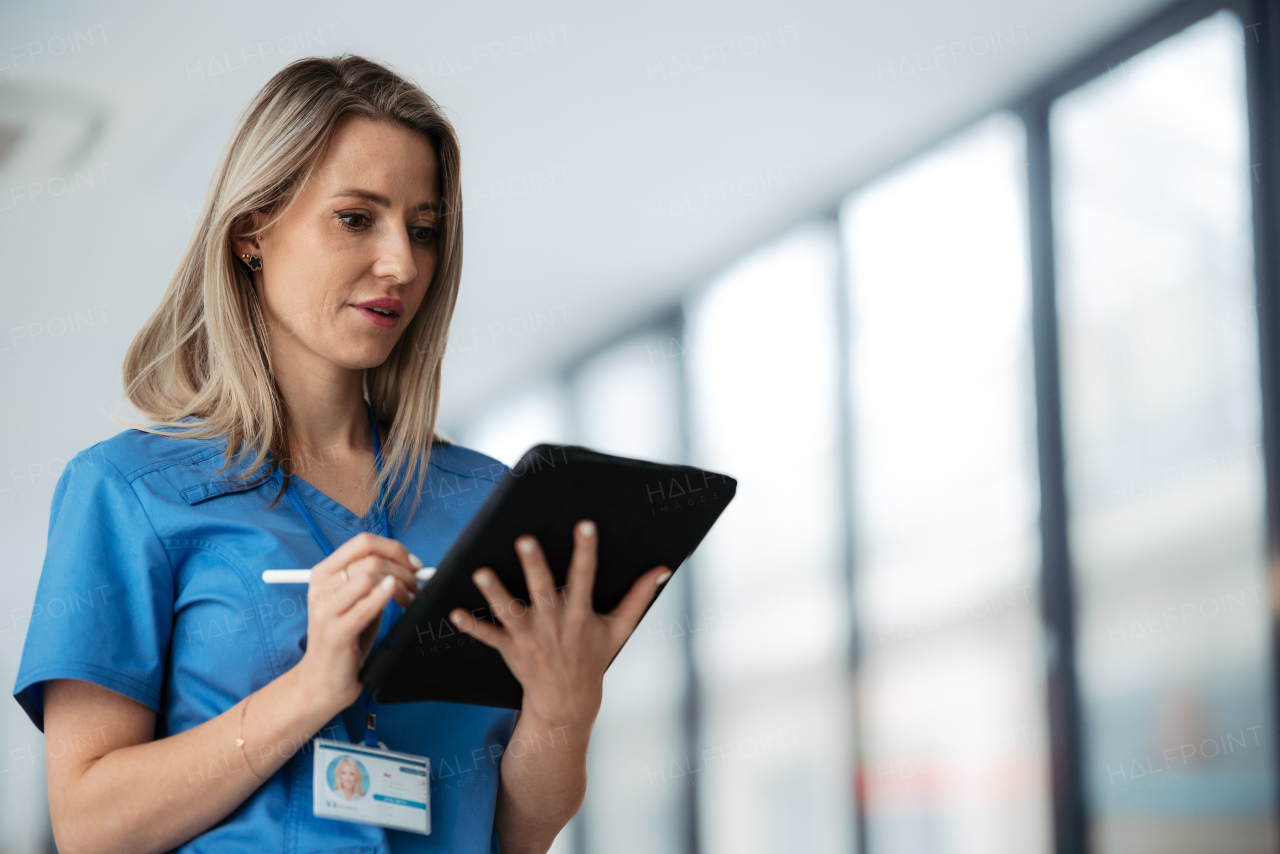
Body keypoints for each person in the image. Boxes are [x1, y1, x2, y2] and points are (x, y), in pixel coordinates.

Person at [11, 54, 671, 854]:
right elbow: (88, 827)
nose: (402, 263)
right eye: (357, 218)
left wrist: (566, 705)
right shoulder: (128, 493)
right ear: (253, 230)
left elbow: (513, 835)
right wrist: (309, 690)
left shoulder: (485, 503)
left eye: (423, 230)